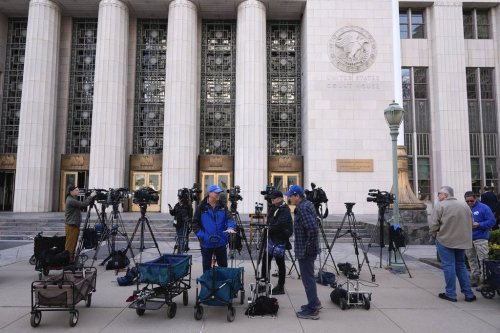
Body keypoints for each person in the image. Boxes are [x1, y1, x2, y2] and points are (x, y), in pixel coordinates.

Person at [429, 186, 476, 302]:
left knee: (449, 266)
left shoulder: (440, 205)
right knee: (461, 265)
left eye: (439, 193)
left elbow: (434, 224)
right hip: (462, 240)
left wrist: (433, 233)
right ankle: (468, 293)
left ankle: (451, 293)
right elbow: (472, 222)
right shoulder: (465, 205)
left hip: (445, 239)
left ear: (445, 195)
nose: (438, 195)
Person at [285, 184, 321, 320]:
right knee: (309, 278)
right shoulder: (307, 204)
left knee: (308, 280)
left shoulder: (303, 208)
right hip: (307, 249)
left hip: (306, 250)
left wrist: (307, 249)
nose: (289, 198)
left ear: (297, 196)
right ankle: (315, 302)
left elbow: (312, 229)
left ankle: (313, 309)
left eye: (291, 196)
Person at [192, 184, 236, 273]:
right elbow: (194, 224)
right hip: (207, 243)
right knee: (207, 269)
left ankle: (223, 285)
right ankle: (207, 286)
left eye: (219, 192)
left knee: (223, 267)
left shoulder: (223, 206)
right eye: (216, 193)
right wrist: (203, 236)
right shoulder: (201, 207)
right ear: (209, 193)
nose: (218, 194)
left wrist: (231, 227)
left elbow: (229, 218)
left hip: (221, 241)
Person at [260, 190, 293, 295]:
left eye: (273, 198)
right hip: (271, 238)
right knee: (265, 261)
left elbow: (280, 225)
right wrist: (267, 228)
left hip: (279, 239)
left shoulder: (285, 209)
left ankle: (281, 286)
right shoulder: (273, 207)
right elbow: (270, 220)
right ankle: (264, 282)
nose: (271, 199)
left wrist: (267, 228)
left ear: (279, 198)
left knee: (280, 262)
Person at [463, 191, 496, 287]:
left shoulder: (484, 208)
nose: (469, 203)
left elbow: (492, 221)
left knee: (483, 260)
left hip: (481, 238)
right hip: (468, 238)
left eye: (471, 201)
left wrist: (479, 225)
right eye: (467, 201)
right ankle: (474, 278)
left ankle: (484, 280)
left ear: (476, 198)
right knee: (471, 259)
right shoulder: (464, 209)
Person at [64, 185, 96, 262]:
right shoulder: (71, 200)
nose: (78, 192)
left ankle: (71, 259)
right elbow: (83, 204)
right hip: (71, 225)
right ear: (71, 192)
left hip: (73, 224)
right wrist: (91, 196)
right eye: (77, 190)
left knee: (73, 243)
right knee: (70, 244)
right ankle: (67, 260)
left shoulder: (72, 199)